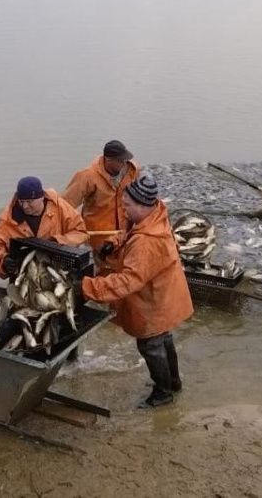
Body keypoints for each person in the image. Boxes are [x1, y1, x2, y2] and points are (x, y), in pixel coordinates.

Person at [76, 174, 194, 408]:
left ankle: (163, 394)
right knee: (163, 337)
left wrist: (86, 287)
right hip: (165, 291)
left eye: (127, 205)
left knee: (149, 343)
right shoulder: (154, 215)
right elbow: (129, 232)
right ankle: (174, 382)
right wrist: (114, 242)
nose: (123, 208)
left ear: (142, 205)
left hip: (154, 298)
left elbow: (126, 282)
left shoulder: (146, 243)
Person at [0, 176, 88, 279]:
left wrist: (57, 242)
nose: (25, 206)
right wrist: (3, 260)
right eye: (21, 201)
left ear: (41, 197)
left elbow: (80, 231)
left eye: (29, 201)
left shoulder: (59, 207)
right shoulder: (10, 218)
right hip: (27, 273)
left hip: (57, 269)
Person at [63, 140, 139, 264]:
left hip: (124, 235)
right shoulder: (87, 177)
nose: (124, 163)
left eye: (125, 159)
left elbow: (142, 200)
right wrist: (70, 232)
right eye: (120, 160)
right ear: (108, 160)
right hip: (99, 238)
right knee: (102, 273)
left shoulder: (132, 171)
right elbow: (65, 206)